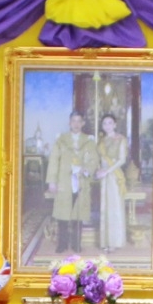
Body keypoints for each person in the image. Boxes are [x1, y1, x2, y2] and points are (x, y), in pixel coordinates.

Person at [45, 110, 97, 257]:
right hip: (64, 181)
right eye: (73, 121)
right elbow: (54, 161)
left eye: (79, 121)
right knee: (63, 214)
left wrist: (86, 170)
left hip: (81, 181)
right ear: (69, 123)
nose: (76, 124)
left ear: (83, 123)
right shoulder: (61, 140)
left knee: (78, 214)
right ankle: (62, 244)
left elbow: (94, 160)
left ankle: (76, 244)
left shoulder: (89, 141)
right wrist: (52, 181)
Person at [96, 113, 130, 255]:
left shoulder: (121, 139)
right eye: (105, 123)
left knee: (114, 208)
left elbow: (122, 160)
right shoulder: (101, 141)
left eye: (110, 123)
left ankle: (115, 242)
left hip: (114, 175)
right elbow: (98, 158)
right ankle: (105, 241)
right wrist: (99, 170)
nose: (107, 126)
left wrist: (107, 171)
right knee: (104, 208)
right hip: (103, 176)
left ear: (115, 124)